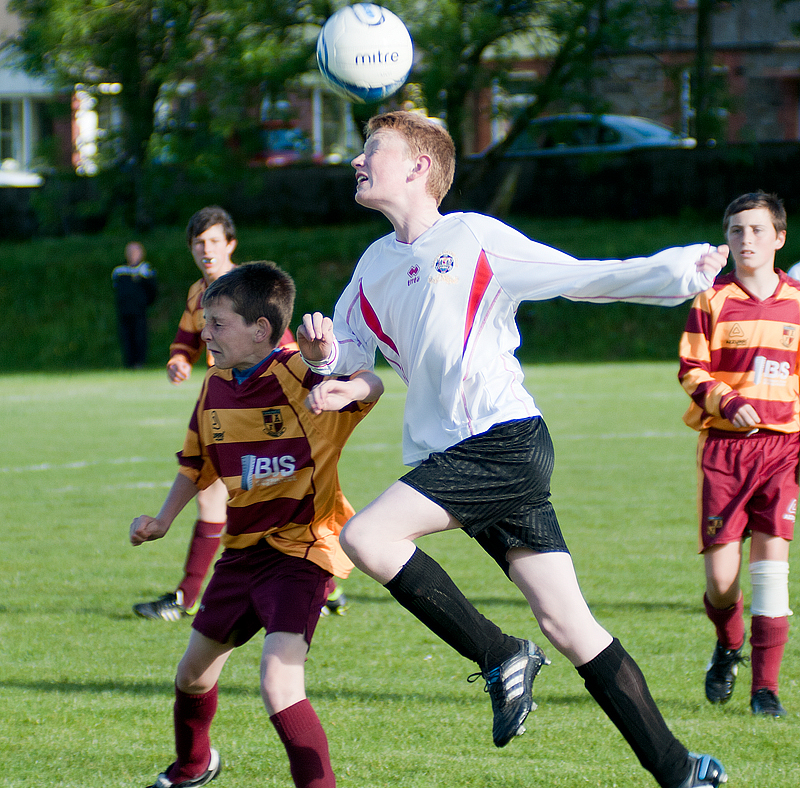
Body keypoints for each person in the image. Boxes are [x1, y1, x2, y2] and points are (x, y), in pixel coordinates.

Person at [297, 110, 729, 788]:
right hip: (470, 459)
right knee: (568, 621)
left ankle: (501, 656)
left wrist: (677, 272)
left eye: (370, 150)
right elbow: (351, 349)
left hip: (503, 443)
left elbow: (579, 276)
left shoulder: (472, 236)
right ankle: (678, 768)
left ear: (416, 168)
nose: (357, 160)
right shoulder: (375, 264)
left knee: (369, 537)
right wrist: (328, 363)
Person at [130, 261, 383, 788]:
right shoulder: (215, 385)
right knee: (192, 673)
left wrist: (341, 383)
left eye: (218, 323)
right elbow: (197, 462)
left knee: (278, 683)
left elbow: (371, 382)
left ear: (260, 329)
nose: (206, 333)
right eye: (205, 322)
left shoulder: (300, 371)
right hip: (241, 555)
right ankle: (192, 767)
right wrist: (163, 519)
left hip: (301, 550)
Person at [131, 208, 354, 621]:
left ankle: (189, 596)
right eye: (198, 243)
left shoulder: (248, 292)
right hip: (222, 403)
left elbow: (281, 347)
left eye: (213, 241)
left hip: (262, 413)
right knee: (225, 496)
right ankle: (321, 584)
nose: (206, 250)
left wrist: (314, 376)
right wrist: (179, 360)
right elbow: (186, 340)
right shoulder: (198, 295)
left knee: (248, 498)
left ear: (230, 244)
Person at [679, 190, 797, 719]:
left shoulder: (798, 301)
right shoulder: (711, 300)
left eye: (756, 230)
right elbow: (691, 369)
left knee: (772, 570)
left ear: (779, 238)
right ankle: (729, 647)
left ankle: (765, 690)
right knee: (722, 583)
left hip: (783, 449)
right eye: (735, 231)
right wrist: (727, 400)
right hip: (725, 453)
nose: (745, 239)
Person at [112, 241, 158, 369]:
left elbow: (152, 291)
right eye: (130, 252)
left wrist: (145, 302)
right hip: (124, 311)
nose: (132, 255)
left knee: (140, 337)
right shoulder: (120, 271)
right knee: (126, 338)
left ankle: (140, 363)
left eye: (135, 252)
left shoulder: (146, 270)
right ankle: (129, 363)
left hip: (139, 311)